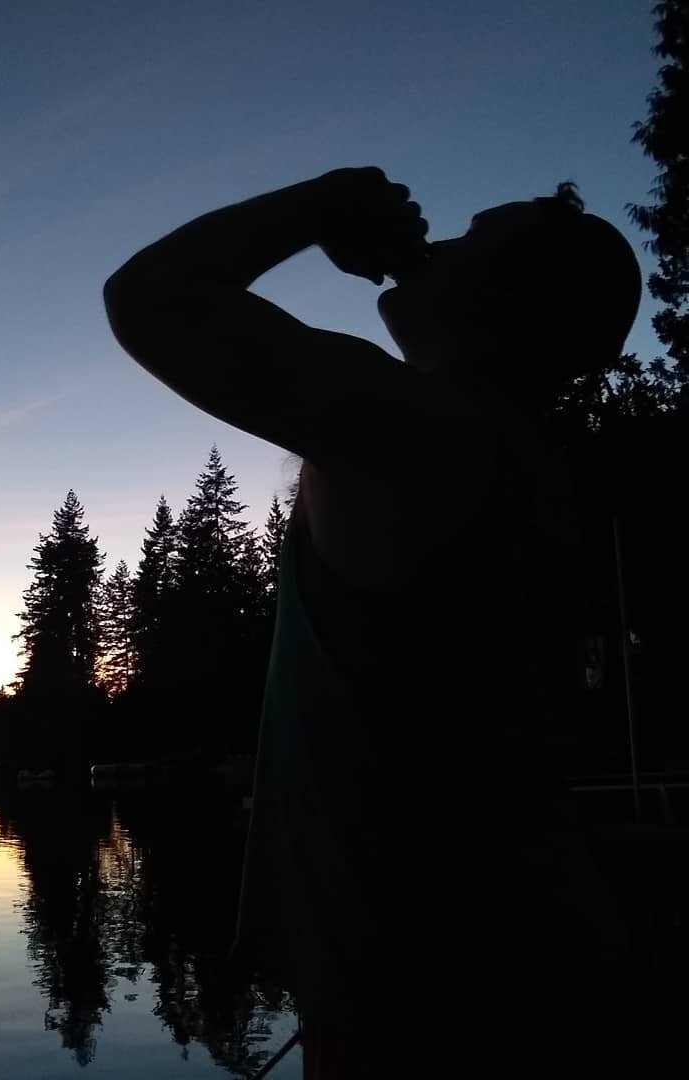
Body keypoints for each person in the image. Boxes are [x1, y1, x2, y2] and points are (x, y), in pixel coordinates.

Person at [103, 168, 642, 1076]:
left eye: (475, 240)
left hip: (455, 1002)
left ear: (509, 305)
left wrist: (324, 204)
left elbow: (153, 298)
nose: (437, 244)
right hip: (481, 967)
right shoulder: (501, 452)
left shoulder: (426, 432)